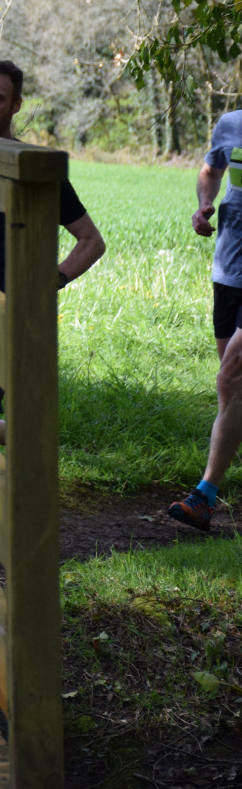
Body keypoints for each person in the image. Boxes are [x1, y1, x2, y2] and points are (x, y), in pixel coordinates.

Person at [0, 59, 105, 444]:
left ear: (16, 104)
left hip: (1, 319)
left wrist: (49, 281)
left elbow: (91, 241)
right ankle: (21, 436)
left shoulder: (34, 171)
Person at [169, 107, 242, 530]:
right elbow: (211, 170)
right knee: (232, 391)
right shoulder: (231, 123)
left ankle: (204, 496)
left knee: (231, 378)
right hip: (229, 267)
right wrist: (204, 205)